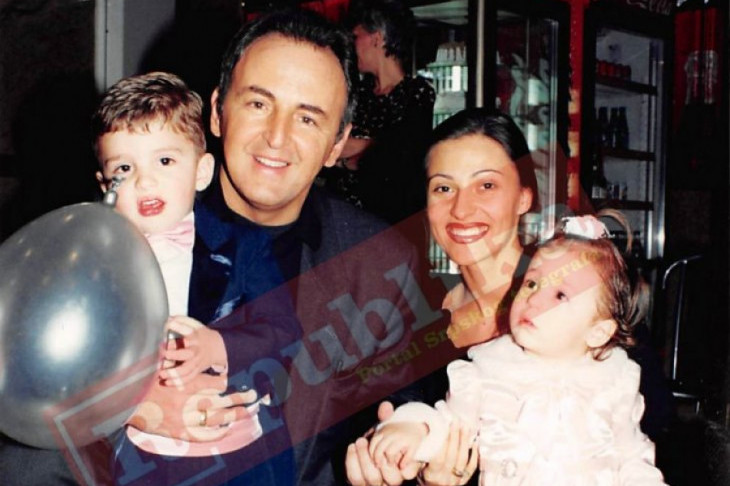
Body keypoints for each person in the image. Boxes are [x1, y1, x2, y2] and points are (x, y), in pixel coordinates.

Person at [113, 9, 428, 486]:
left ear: (337, 143)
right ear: (217, 111)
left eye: (307, 117)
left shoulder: (377, 262)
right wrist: (129, 406)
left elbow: (405, 410)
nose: (277, 137)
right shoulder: (124, 226)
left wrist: (407, 445)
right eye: (259, 104)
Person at [369, 212, 668, 485]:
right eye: (532, 284)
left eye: (560, 295)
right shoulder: (487, 371)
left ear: (598, 332)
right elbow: (448, 424)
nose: (534, 299)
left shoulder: (615, 380)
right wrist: (414, 428)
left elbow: (632, 455)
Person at [345, 108, 539, 486]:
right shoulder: (411, 315)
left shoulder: (574, 303)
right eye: (443, 188)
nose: (461, 209)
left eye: (486, 185)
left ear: (524, 197)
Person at [320, 0, 435, 224]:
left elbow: (401, 158)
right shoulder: (357, 92)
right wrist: (371, 146)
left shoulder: (416, 93)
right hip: (339, 214)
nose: (353, 45)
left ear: (377, 38)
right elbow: (329, 142)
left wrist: (357, 152)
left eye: (356, 37)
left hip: (389, 221)